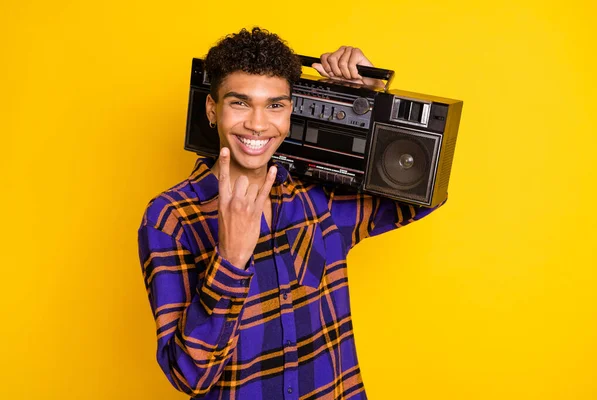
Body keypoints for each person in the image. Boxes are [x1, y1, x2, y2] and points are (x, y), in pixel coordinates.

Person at [137, 27, 447, 400]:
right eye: (239, 102)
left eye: (274, 105)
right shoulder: (171, 218)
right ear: (212, 109)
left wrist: (368, 102)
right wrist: (230, 260)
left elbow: (424, 196)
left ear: (290, 112)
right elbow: (189, 375)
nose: (257, 123)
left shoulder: (318, 200)